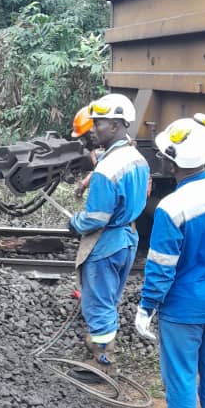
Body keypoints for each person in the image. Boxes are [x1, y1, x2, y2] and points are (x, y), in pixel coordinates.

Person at [135, 117, 205, 408]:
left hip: (185, 307)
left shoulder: (173, 208)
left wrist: (147, 306)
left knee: (181, 375)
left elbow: (162, 266)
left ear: (170, 161)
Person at [69, 94, 150, 368]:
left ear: (115, 125)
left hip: (107, 244)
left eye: (99, 123)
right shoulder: (137, 158)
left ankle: (101, 362)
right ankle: (101, 345)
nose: (93, 129)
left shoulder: (106, 170)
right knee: (109, 299)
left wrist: (75, 223)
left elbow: (96, 218)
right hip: (128, 239)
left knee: (99, 303)